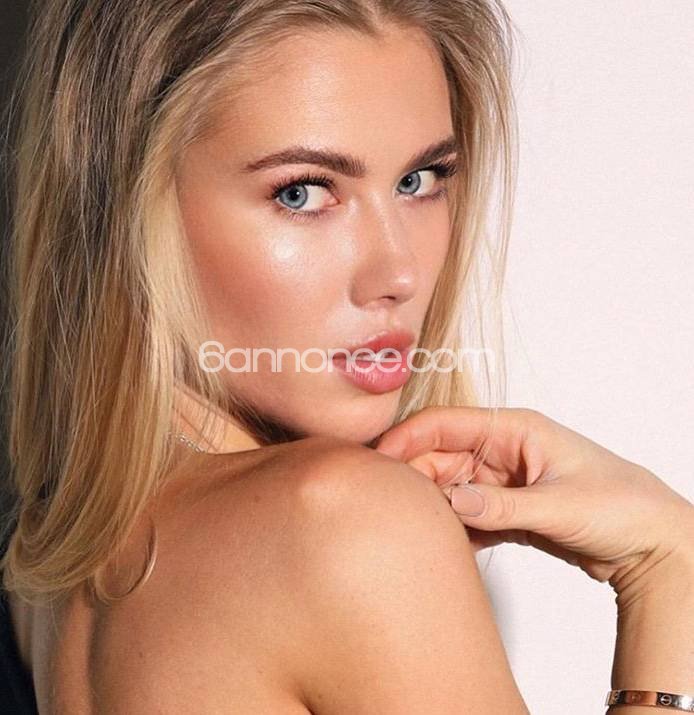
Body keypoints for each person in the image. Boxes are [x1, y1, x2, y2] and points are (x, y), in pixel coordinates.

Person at [0, 1, 691, 713]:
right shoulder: (341, 521)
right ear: (130, 206)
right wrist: (667, 569)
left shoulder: (44, 564)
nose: (398, 273)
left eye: (419, 180)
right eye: (302, 193)